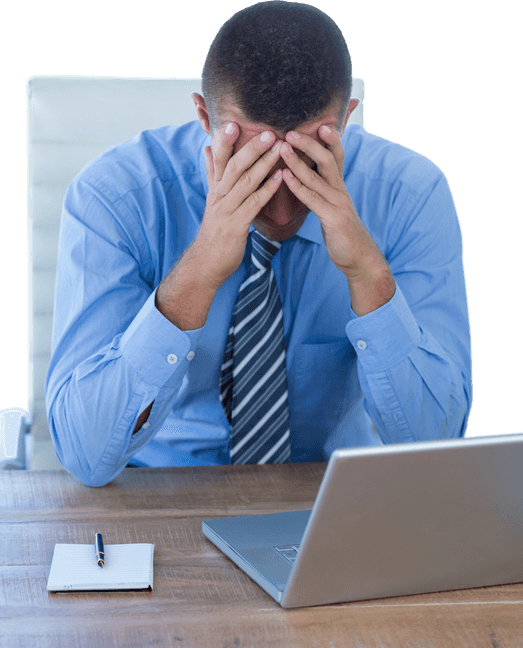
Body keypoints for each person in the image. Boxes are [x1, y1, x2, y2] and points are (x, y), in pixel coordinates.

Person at [47, 1, 473, 487]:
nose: (282, 211)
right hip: (158, 489)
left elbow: (436, 448)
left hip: (331, 494)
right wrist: (198, 272)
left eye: (308, 165)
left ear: (345, 121)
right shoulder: (116, 196)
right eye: (253, 164)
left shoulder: (410, 195)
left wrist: (367, 276)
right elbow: (84, 454)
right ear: (204, 116)